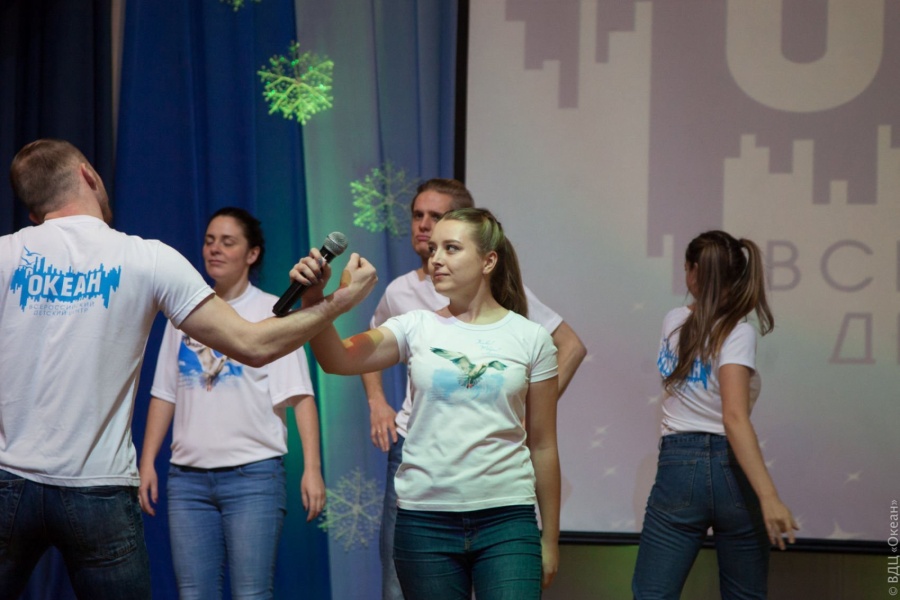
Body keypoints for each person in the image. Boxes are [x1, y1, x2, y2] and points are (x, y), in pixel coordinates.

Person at [0, 139, 376, 599]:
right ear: (88, 176)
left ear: (34, 210)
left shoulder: (6, 255)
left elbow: (282, 377)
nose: (215, 249)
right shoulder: (147, 257)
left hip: (8, 479)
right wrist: (341, 301)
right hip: (98, 487)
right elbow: (252, 344)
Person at [302, 208, 561, 598]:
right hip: (425, 522)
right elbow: (336, 359)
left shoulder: (531, 337)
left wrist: (550, 539)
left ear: (488, 260)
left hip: (506, 518)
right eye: (434, 248)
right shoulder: (414, 325)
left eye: (451, 248)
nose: (435, 258)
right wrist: (315, 299)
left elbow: (543, 444)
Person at [361, 178, 586, 599]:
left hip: (497, 492)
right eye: (418, 216)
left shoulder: (512, 317)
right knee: (396, 585)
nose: (425, 227)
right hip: (418, 457)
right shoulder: (401, 295)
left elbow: (567, 348)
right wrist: (377, 400)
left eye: (438, 220)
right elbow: (360, 350)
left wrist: (521, 410)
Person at [137, 207, 325, 599]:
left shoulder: (274, 312)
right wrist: (148, 461)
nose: (215, 250)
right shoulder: (184, 311)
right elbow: (165, 393)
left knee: (251, 593)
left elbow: (300, 396)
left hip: (253, 477)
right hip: (187, 479)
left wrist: (312, 469)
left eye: (227, 242)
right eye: (209, 241)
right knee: (194, 593)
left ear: (252, 254)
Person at [632, 230, 799, 599]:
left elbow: (731, 415)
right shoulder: (738, 332)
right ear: (736, 276)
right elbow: (734, 417)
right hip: (730, 469)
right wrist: (769, 495)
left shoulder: (673, 320)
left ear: (692, 271)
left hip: (678, 467)